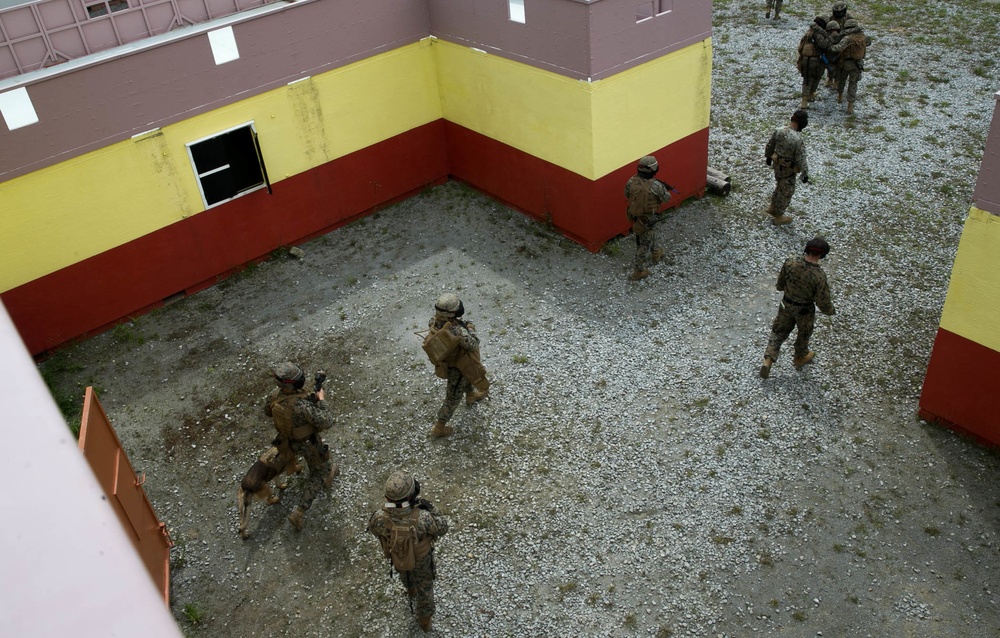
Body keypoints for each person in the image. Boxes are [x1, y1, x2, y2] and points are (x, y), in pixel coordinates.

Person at [367, 471, 449, 633]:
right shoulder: (423, 517)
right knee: (425, 588)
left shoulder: (380, 517)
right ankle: (424, 620)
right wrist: (432, 508)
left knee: (404, 573)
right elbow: (442, 528)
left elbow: (374, 531)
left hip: (398, 556)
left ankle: (410, 590)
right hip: (421, 558)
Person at [264, 361, 337, 530]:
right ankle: (299, 512)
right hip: (307, 443)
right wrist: (321, 400)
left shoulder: (274, 395)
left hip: (288, 441)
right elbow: (327, 421)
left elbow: (267, 411)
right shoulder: (302, 407)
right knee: (320, 472)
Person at [759, 238, 836, 379]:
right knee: (803, 334)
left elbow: (780, 283)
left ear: (806, 249)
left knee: (778, 332)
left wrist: (782, 288)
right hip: (804, 310)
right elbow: (822, 300)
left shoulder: (790, 262)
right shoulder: (819, 276)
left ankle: (768, 359)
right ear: (822, 255)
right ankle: (800, 356)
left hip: (786, 304)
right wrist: (829, 311)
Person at [422, 293, 489, 437]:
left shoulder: (433, 321)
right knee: (452, 398)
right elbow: (473, 344)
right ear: (451, 313)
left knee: (465, 380)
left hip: (450, 363)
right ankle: (439, 427)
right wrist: (470, 328)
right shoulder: (456, 331)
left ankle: (471, 395)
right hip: (458, 367)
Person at [624, 155, 674, 281]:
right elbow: (667, 198)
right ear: (654, 169)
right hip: (648, 218)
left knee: (651, 233)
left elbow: (626, 193)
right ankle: (638, 271)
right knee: (643, 244)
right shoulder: (656, 186)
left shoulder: (631, 181)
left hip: (636, 216)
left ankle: (656, 252)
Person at [763, 110, 809, 226]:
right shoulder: (797, 140)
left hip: (777, 166)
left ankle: (772, 207)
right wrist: (805, 174)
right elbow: (801, 158)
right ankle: (779, 216)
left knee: (779, 185)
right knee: (786, 192)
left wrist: (768, 156)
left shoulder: (778, 131)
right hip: (788, 170)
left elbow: (770, 145)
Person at [829, 19, 871, 114]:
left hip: (846, 63)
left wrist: (829, 46)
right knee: (853, 84)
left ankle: (840, 96)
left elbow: (838, 48)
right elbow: (868, 43)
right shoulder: (864, 37)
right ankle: (850, 106)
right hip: (858, 64)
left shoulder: (847, 38)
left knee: (842, 80)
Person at [797, 17, 832, 108]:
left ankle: (804, 101)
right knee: (816, 77)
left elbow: (800, 47)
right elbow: (824, 45)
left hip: (805, 59)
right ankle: (811, 94)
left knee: (807, 80)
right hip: (816, 60)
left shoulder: (808, 33)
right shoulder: (819, 34)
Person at [823, 2, 852, 86]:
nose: (839, 14)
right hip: (832, 42)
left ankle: (836, 79)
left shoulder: (848, 18)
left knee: (840, 63)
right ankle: (830, 78)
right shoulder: (830, 18)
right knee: (829, 62)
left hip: (842, 42)